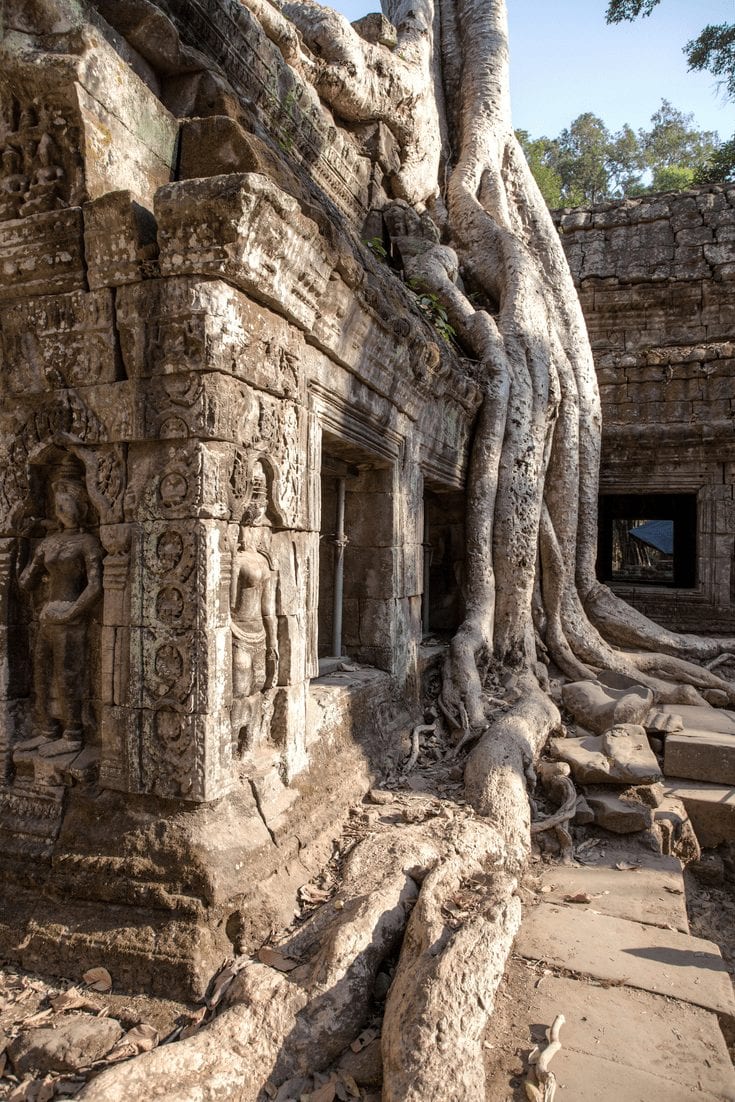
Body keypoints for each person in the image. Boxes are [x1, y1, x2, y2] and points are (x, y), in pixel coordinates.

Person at [19, 477, 102, 752]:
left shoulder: (87, 542)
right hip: (48, 617)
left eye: (68, 505)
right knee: (41, 674)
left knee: (68, 675)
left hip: (71, 620)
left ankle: (73, 735)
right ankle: (47, 729)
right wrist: (28, 551)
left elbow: (95, 587)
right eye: (59, 506)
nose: (62, 511)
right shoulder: (49, 542)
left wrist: (71, 612)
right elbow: (26, 582)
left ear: (81, 508)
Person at [230, 465, 278, 751]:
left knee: (259, 685)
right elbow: (228, 603)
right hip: (238, 631)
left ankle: (250, 741)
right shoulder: (236, 559)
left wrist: (273, 640)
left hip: (259, 632)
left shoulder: (264, 559)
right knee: (239, 690)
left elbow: (268, 607)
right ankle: (234, 741)